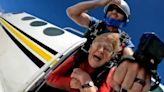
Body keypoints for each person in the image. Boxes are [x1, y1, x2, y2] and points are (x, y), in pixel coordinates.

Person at [66, 0, 151, 92]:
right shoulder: (96, 25)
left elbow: (129, 57)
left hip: (98, 79)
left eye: (119, 11)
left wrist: (141, 66)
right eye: (111, 9)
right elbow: (72, 12)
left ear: (124, 19)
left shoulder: (124, 40)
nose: (114, 12)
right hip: (74, 67)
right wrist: (99, 3)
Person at [47, 33, 123, 92]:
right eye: (98, 45)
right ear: (89, 49)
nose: (101, 50)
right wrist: (72, 83)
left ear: (110, 58)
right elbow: (50, 78)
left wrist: (84, 78)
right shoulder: (78, 58)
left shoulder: (109, 73)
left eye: (107, 49)